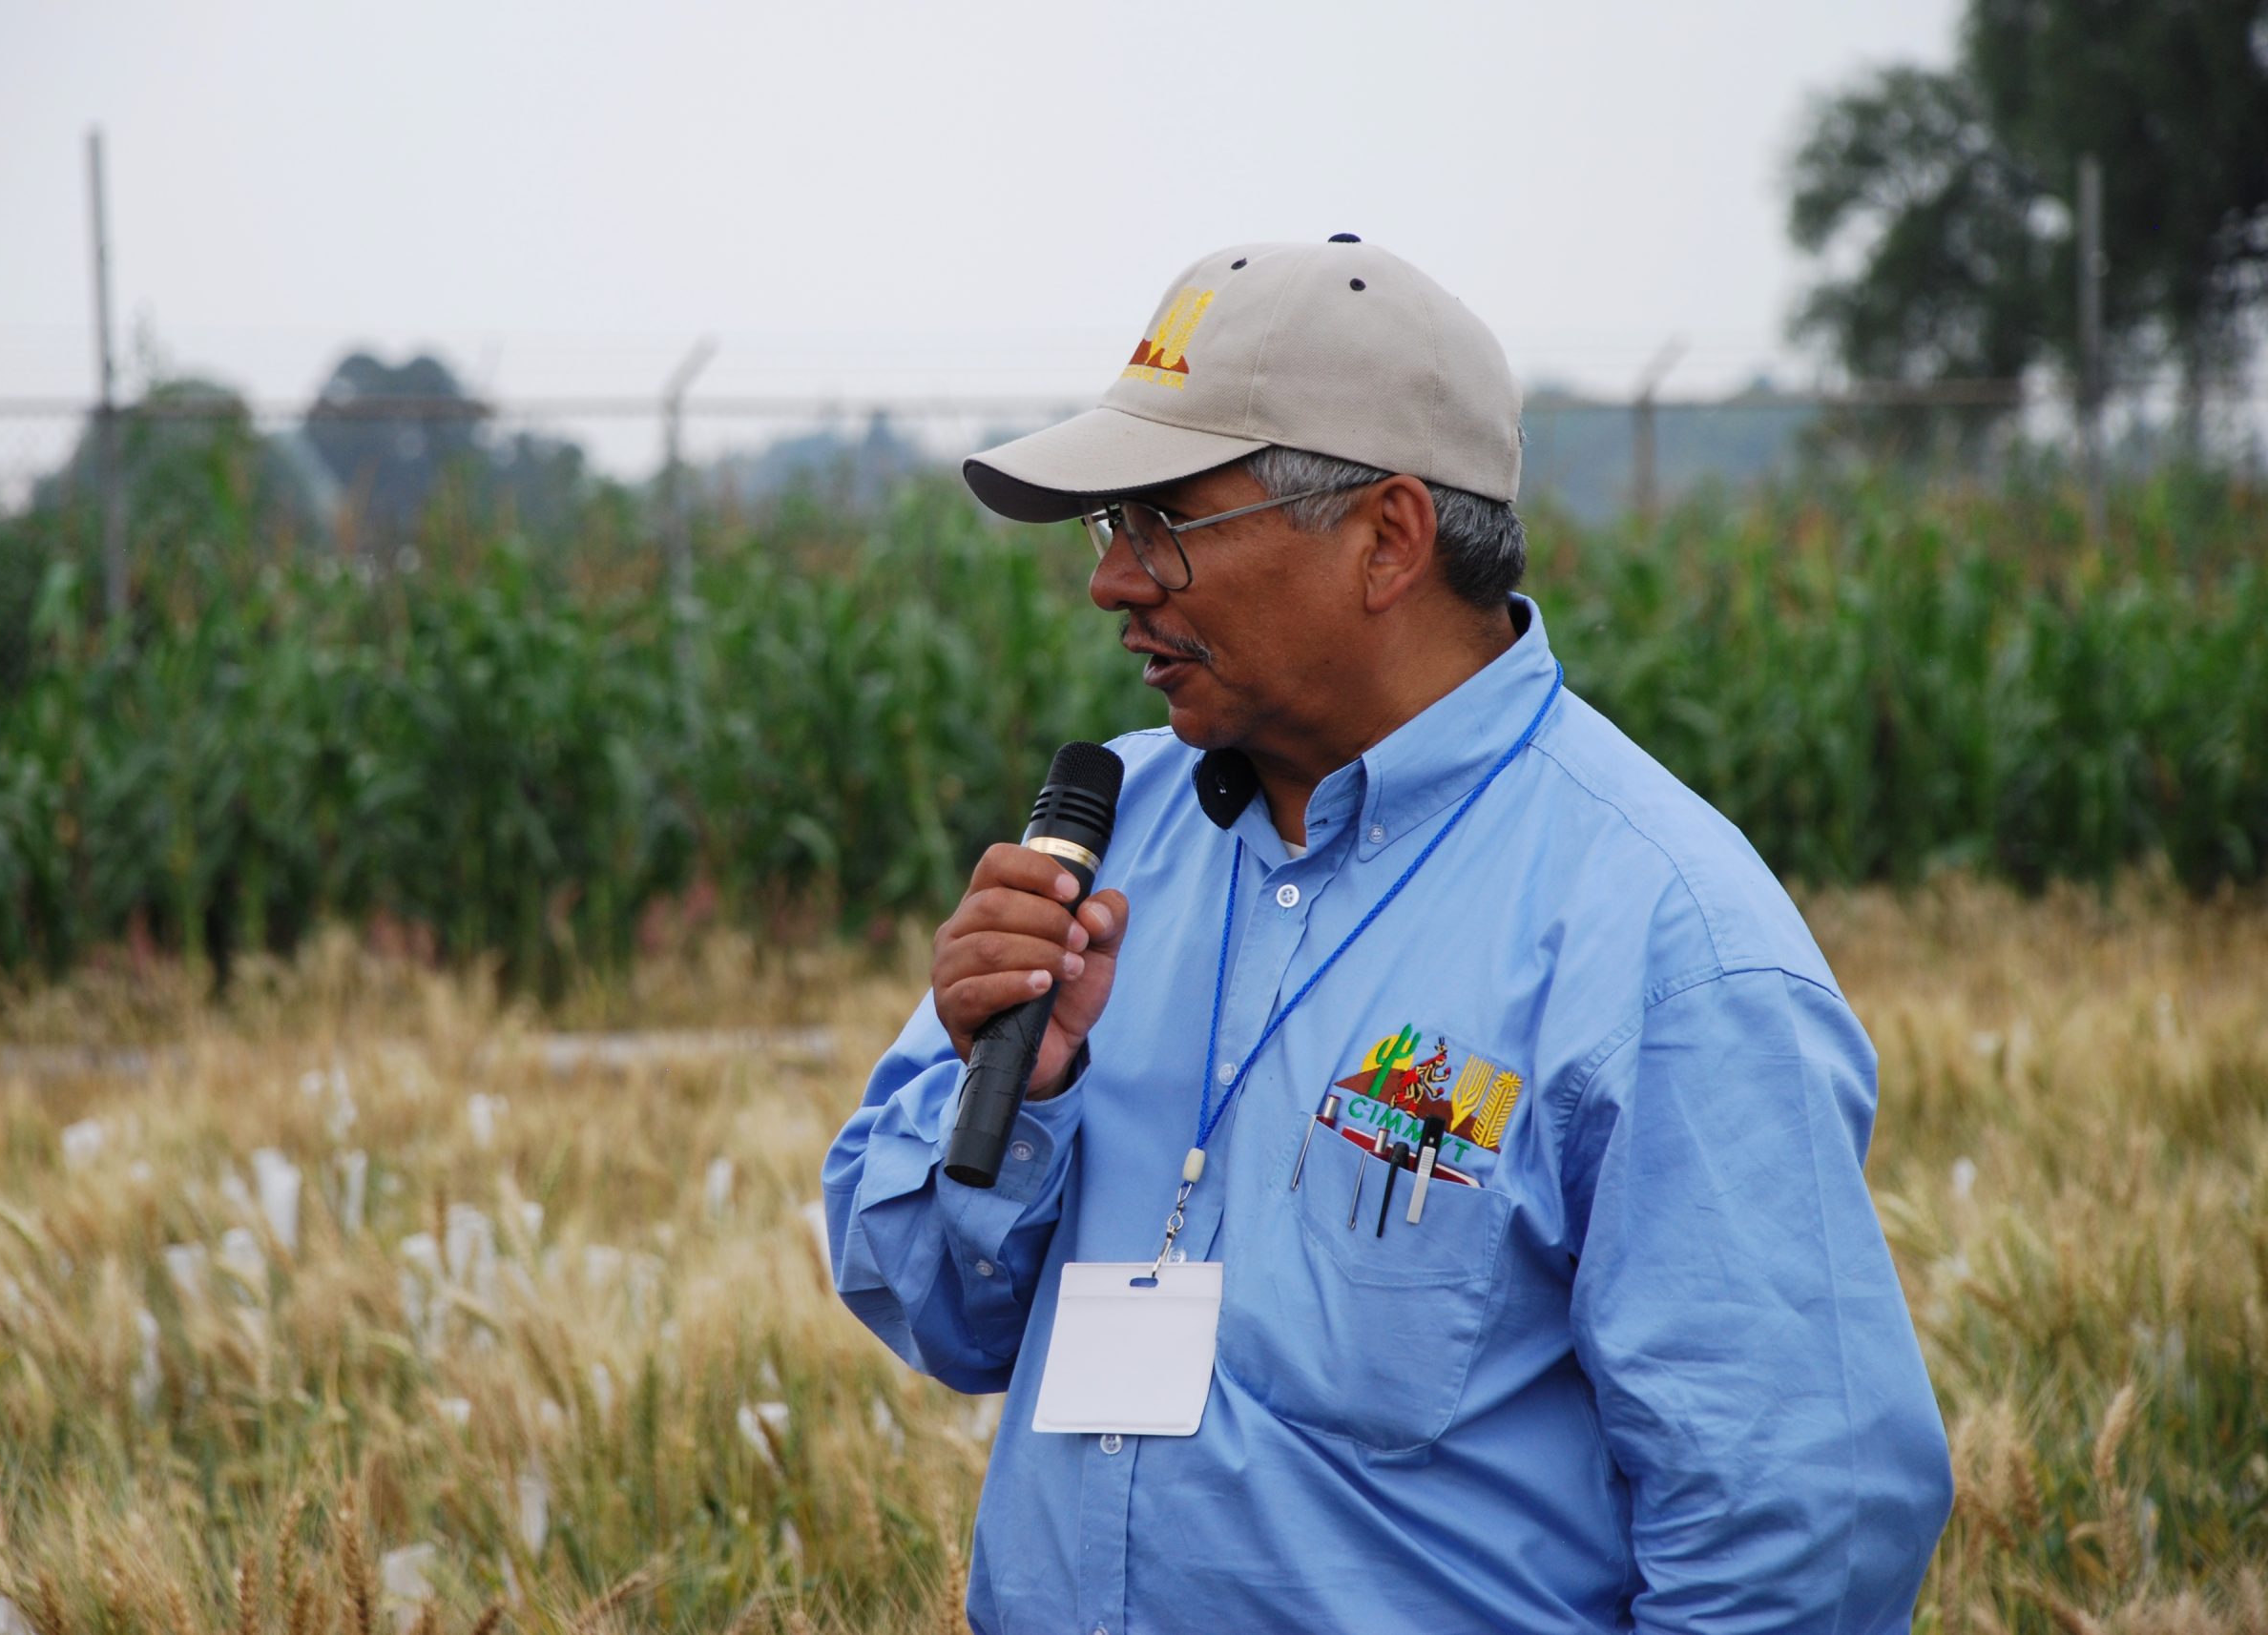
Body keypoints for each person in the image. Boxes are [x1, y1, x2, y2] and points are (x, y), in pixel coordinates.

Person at [822, 237, 1952, 1633]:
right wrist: (1021, 1090)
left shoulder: (1661, 940)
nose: (1114, 582)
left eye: (1162, 519)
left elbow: (1805, 1533)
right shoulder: (1110, 845)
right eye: (1105, 528)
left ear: (1388, 539)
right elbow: (929, 1306)